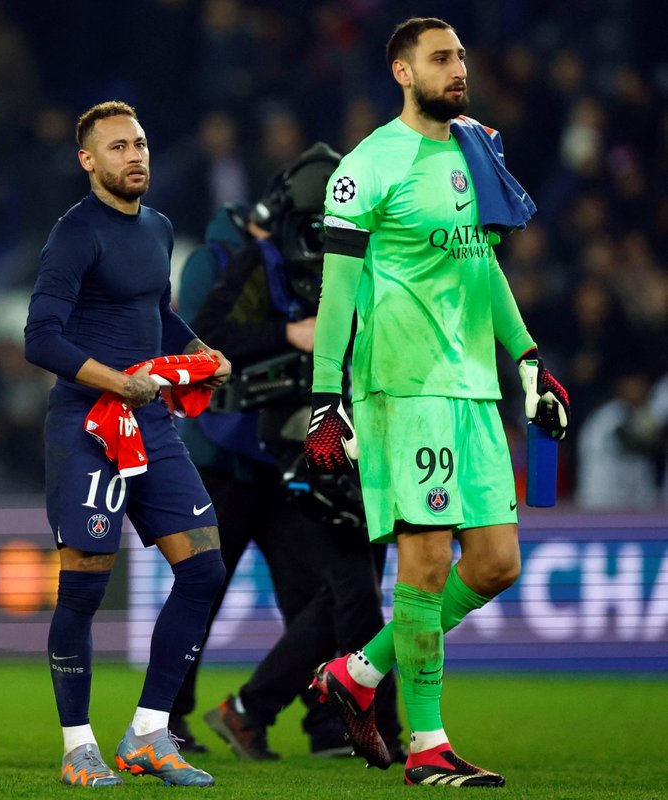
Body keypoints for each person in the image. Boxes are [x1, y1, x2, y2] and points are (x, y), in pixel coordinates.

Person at [303, 18, 570, 788]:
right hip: (402, 386)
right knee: (422, 566)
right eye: (442, 58)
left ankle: (356, 674)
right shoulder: (365, 168)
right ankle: (427, 747)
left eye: (461, 58)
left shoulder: (478, 145)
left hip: (471, 388)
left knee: (494, 565)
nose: (458, 70)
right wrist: (328, 398)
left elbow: (480, 266)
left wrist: (526, 360)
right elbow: (337, 294)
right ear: (401, 70)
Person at [169, 146, 404, 762]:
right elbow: (202, 343)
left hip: (287, 458)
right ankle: (166, 719)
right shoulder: (226, 262)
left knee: (315, 594)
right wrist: (289, 334)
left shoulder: (308, 263)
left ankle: (323, 723)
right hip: (223, 461)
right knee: (204, 590)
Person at [24, 100, 231, 788]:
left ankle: (149, 732)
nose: (134, 156)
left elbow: (157, 314)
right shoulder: (75, 234)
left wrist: (200, 352)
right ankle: (77, 747)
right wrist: (115, 380)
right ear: (89, 161)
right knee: (83, 590)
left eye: (139, 143)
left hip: (149, 423)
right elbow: (41, 336)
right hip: (88, 427)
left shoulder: (160, 228)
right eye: (117, 147)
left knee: (203, 569)